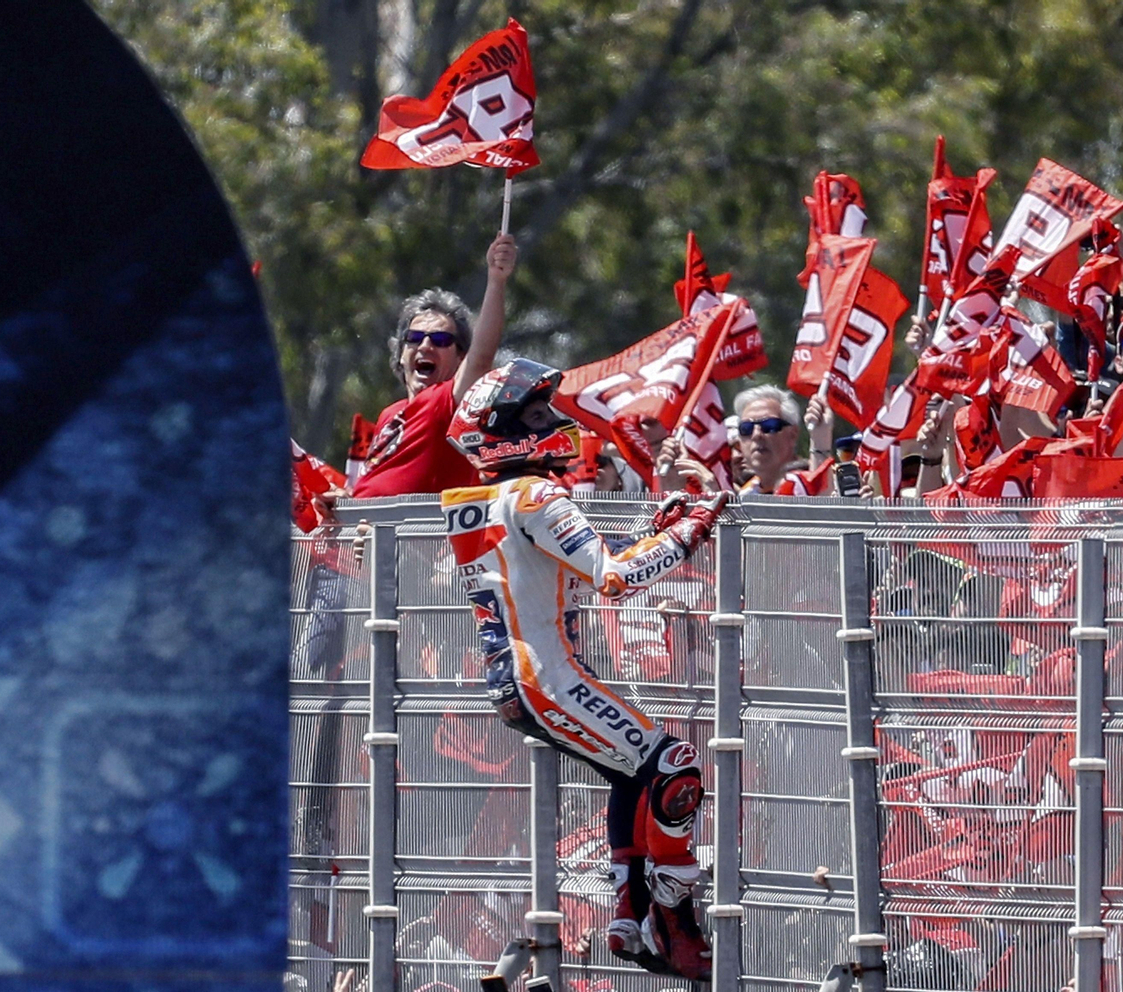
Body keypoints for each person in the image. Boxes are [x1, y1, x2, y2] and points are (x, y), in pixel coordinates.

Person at [440, 358, 729, 981]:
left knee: (633, 776)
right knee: (674, 765)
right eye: (538, 414)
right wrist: (692, 530)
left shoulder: (483, 500)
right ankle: (674, 911)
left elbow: (553, 571)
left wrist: (660, 530)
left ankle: (629, 917)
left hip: (517, 678)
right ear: (502, 430)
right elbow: (614, 579)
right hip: (548, 677)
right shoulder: (536, 492)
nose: (555, 421)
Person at [349, 233, 518, 498]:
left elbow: (481, 357)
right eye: (415, 338)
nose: (425, 346)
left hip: (422, 537)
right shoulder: (389, 415)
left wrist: (496, 281)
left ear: (460, 357)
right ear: (401, 352)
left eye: (440, 340)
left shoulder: (449, 404)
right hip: (370, 534)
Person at [732, 385, 829, 494]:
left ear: (793, 434)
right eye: (747, 428)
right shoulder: (744, 495)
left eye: (769, 426)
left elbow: (822, 498)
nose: (756, 435)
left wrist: (820, 439)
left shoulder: (823, 481)